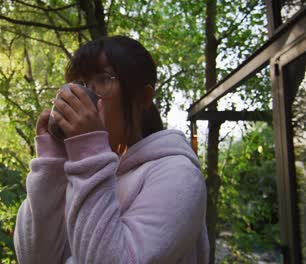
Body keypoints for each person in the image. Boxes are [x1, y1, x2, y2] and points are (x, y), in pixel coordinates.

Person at [14, 36, 209, 264]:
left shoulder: (179, 175)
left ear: (143, 97)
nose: (84, 96)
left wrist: (88, 149)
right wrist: (52, 163)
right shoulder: (86, 171)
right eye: (81, 83)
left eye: (103, 79)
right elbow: (34, 258)